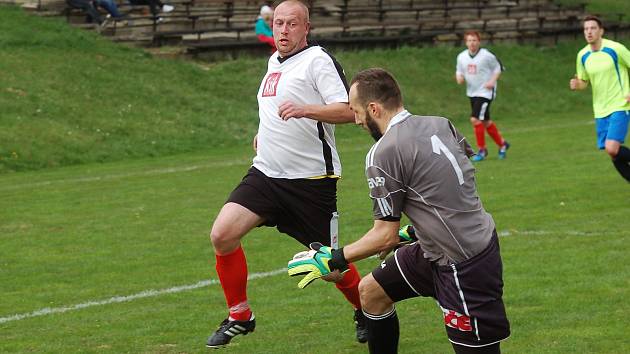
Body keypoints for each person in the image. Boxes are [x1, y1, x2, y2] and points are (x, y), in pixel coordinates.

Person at [289, 68, 510, 353]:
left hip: (465, 263)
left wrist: (332, 259)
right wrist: (414, 231)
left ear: (373, 108)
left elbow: (383, 236)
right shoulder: (440, 124)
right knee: (371, 292)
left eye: (356, 111)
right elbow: (454, 189)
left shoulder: (382, 152)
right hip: (437, 248)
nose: (355, 120)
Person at [206, 0, 366, 349]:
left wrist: (307, 110)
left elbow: (349, 111)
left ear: (306, 28)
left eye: (292, 24)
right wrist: (263, 133)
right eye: (278, 23)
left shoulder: (318, 60)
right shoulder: (273, 62)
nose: (283, 29)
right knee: (222, 234)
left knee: (332, 268)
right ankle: (240, 315)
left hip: (310, 183)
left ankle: (365, 308)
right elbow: (275, 109)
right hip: (266, 175)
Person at [570, 15, 630, 182]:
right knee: (613, 154)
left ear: (601, 31)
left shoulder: (615, 49)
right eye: (586, 29)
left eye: (593, 28)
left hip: (620, 104)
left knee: (612, 148)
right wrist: (577, 84)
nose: (589, 32)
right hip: (600, 110)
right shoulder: (582, 55)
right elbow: (584, 82)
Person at [456, 30, 510, 162]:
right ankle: (502, 145)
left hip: (485, 92)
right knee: (485, 121)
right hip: (472, 92)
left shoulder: (487, 55)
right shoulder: (461, 56)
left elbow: (498, 68)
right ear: (466, 42)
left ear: (479, 41)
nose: (472, 43)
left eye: (474, 40)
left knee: (475, 119)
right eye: (469, 40)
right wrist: (459, 77)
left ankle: (482, 150)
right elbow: (459, 71)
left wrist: (492, 81)